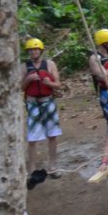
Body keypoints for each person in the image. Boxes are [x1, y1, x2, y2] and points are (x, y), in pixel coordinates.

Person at [21, 38, 62, 177]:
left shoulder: (49, 64)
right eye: (31, 50)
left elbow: (58, 84)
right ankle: (31, 169)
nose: (34, 52)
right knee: (32, 138)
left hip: (48, 101)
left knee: (52, 135)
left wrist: (49, 83)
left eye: (36, 49)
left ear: (41, 50)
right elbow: (19, 87)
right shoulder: (24, 66)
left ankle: (53, 166)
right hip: (32, 102)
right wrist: (28, 79)